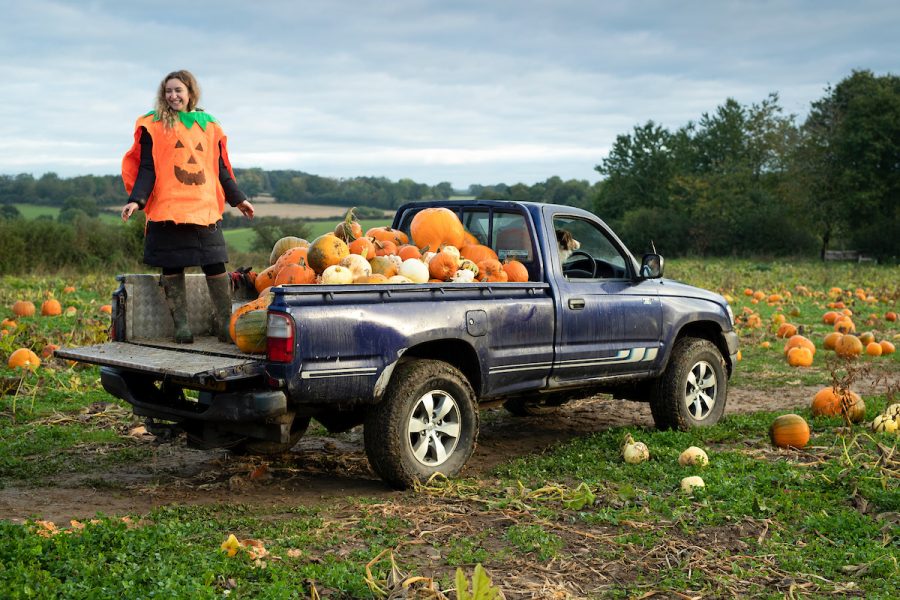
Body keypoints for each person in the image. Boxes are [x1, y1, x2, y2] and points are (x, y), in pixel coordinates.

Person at [120, 69, 254, 344]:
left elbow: (220, 169)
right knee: (172, 265)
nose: (173, 95)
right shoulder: (154, 125)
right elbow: (147, 168)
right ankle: (181, 324)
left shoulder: (209, 125)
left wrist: (238, 198)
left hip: (203, 208)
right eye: (168, 91)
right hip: (169, 207)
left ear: (190, 92)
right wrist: (136, 200)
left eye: (178, 90)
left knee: (215, 264)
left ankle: (223, 322)